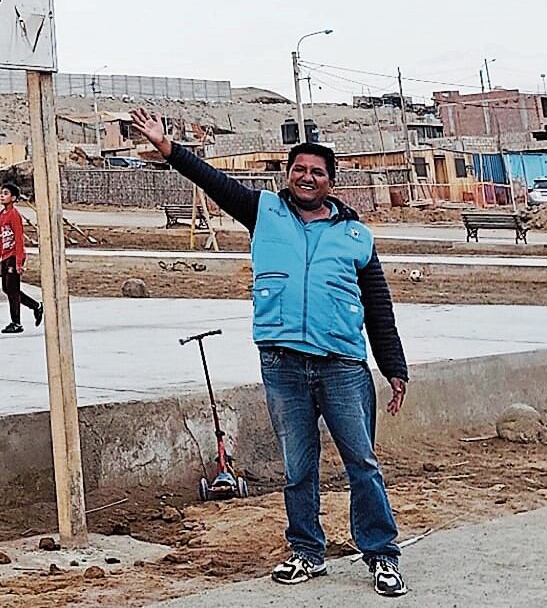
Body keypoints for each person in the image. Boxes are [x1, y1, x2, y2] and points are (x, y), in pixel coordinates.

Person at [129, 108, 409, 597]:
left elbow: (378, 307)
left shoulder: (355, 235)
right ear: (288, 175)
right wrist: (168, 148)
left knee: (361, 462)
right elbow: (212, 180)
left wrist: (394, 367)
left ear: (331, 182)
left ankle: (381, 555)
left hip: (342, 364)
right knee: (297, 466)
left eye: (317, 172)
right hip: (283, 365)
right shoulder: (264, 211)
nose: (306, 177)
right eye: (299, 169)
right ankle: (306, 551)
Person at [0, 182, 44, 334]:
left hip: (13, 256)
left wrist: (19, 261)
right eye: (1, 193)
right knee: (7, 289)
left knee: (13, 290)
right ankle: (36, 306)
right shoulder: (2, 214)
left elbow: (19, 238)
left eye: (5, 194)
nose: (2, 196)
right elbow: (2, 238)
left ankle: (16, 323)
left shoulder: (14, 215)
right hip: (5, 256)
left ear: (13, 198)